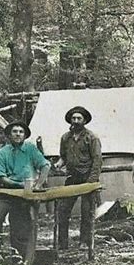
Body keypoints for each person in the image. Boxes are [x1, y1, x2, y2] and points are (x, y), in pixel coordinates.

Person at [0, 121, 50, 263]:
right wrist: (18, 184)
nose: (18, 134)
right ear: (9, 135)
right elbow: (1, 176)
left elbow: (45, 165)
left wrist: (38, 184)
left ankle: (20, 258)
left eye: (21, 132)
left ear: (25, 135)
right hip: (7, 192)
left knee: (21, 223)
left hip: (26, 193)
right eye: (14, 131)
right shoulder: (3, 152)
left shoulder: (31, 149)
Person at [54, 106, 102, 250]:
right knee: (63, 210)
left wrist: (92, 181)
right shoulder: (65, 138)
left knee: (86, 212)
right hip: (71, 178)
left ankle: (84, 242)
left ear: (84, 120)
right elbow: (63, 156)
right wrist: (58, 164)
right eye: (73, 118)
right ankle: (63, 243)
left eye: (79, 118)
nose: (75, 121)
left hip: (87, 178)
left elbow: (97, 160)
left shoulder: (92, 138)